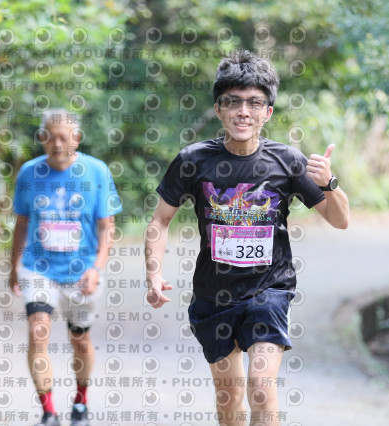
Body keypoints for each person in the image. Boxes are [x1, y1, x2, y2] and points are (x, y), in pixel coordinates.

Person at [145, 50, 349, 426]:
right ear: (219, 109)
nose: (243, 112)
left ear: (267, 112)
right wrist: (154, 274)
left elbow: (340, 220)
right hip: (214, 295)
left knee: (259, 386)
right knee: (229, 396)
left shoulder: (287, 161)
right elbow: (160, 220)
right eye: (233, 102)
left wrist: (329, 183)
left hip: (269, 290)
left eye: (254, 103)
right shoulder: (193, 160)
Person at [10, 109, 122, 426]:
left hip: (81, 270)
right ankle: (48, 412)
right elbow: (22, 222)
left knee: (79, 339)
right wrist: (13, 265)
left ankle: (81, 403)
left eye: (64, 137)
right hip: (38, 267)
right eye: (50, 137)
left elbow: (107, 227)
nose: (57, 144)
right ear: (41, 137)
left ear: (77, 138)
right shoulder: (29, 173)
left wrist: (96, 268)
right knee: (38, 332)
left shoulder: (96, 172)